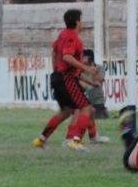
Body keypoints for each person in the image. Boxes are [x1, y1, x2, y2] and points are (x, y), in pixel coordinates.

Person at [32, 9, 98, 151]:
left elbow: (54, 51)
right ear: (77, 22)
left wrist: (55, 69)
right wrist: (87, 69)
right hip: (65, 77)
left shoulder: (62, 35)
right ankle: (75, 141)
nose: (82, 22)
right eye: (81, 19)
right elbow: (67, 56)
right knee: (86, 108)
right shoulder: (71, 37)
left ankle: (41, 139)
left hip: (58, 76)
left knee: (66, 111)